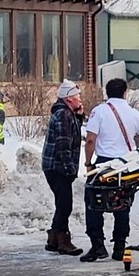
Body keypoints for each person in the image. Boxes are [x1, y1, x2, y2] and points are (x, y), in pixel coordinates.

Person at [80, 78, 139, 262]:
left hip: (104, 166)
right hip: (127, 165)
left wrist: (88, 163)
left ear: (107, 92)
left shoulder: (99, 112)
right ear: (125, 92)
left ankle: (98, 246)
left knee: (94, 204)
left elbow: (90, 140)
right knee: (122, 204)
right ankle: (120, 247)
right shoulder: (132, 113)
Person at [42, 81, 85, 256]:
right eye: (78, 96)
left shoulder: (68, 113)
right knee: (65, 204)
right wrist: (69, 167)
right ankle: (62, 240)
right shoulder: (63, 115)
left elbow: (72, 134)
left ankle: (54, 239)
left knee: (62, 203)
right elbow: (63, 142)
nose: (80, 99)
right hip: (56, 166)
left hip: (54, 165)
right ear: (69, 98)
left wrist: (80, 116)